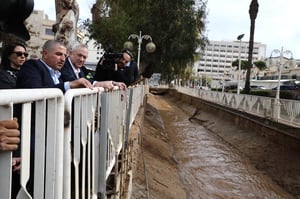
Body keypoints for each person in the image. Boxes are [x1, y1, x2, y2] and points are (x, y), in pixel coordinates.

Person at [16, 40, 92, 92]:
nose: (63, 59)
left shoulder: (59, 74)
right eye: (58, 54)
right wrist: (69, 85)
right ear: (45, 54)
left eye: (65, 55)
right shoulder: (32, 66)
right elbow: (35, 92)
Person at [60, 42, 127, 90]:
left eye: (84, 57)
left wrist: (112, 83)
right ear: (71, 53)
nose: (82, 59)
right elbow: (76, 82)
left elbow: (88, 81)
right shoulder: (63, 65)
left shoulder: (82, 68)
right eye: (79, 55)